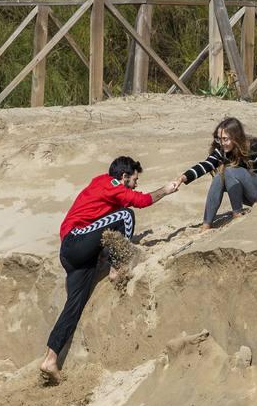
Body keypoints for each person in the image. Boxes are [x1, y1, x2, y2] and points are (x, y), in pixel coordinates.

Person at [41, 156, 180, 384]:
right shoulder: (112, 185)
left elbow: (104, 217)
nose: (136, 184)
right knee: (126, 215)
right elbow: (141, 201)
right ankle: (117, 267)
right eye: (134, 179)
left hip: (74, 254)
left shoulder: (101, 183)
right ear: (124, 177)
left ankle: (50, 358)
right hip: (76, 242)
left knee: (73, 307)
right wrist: (166, 190)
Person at [181, 117, 257, 230]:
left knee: (229, 170)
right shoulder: (223, 151)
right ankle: (206, 225)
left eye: (225, 139)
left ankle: (237, 213)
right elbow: (206, 165)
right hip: (251, 194)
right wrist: (182, 178)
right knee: (219, 177)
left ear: (236, 137)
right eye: (219, 139)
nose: (222, 143)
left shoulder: (256, 148)